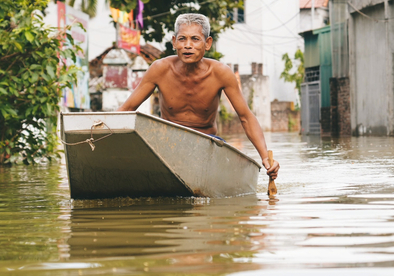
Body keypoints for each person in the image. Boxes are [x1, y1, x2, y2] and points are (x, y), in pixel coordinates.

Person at [118, 13, 279, 180]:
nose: (188, 45)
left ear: (207, 43)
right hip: (168, 146)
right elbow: (127, 109)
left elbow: (245, 117)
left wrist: (265, 158)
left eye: (195, 39)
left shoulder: (221, 73)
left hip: (206, 144)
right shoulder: (159, 69)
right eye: (182, 39)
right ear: (174, 42)